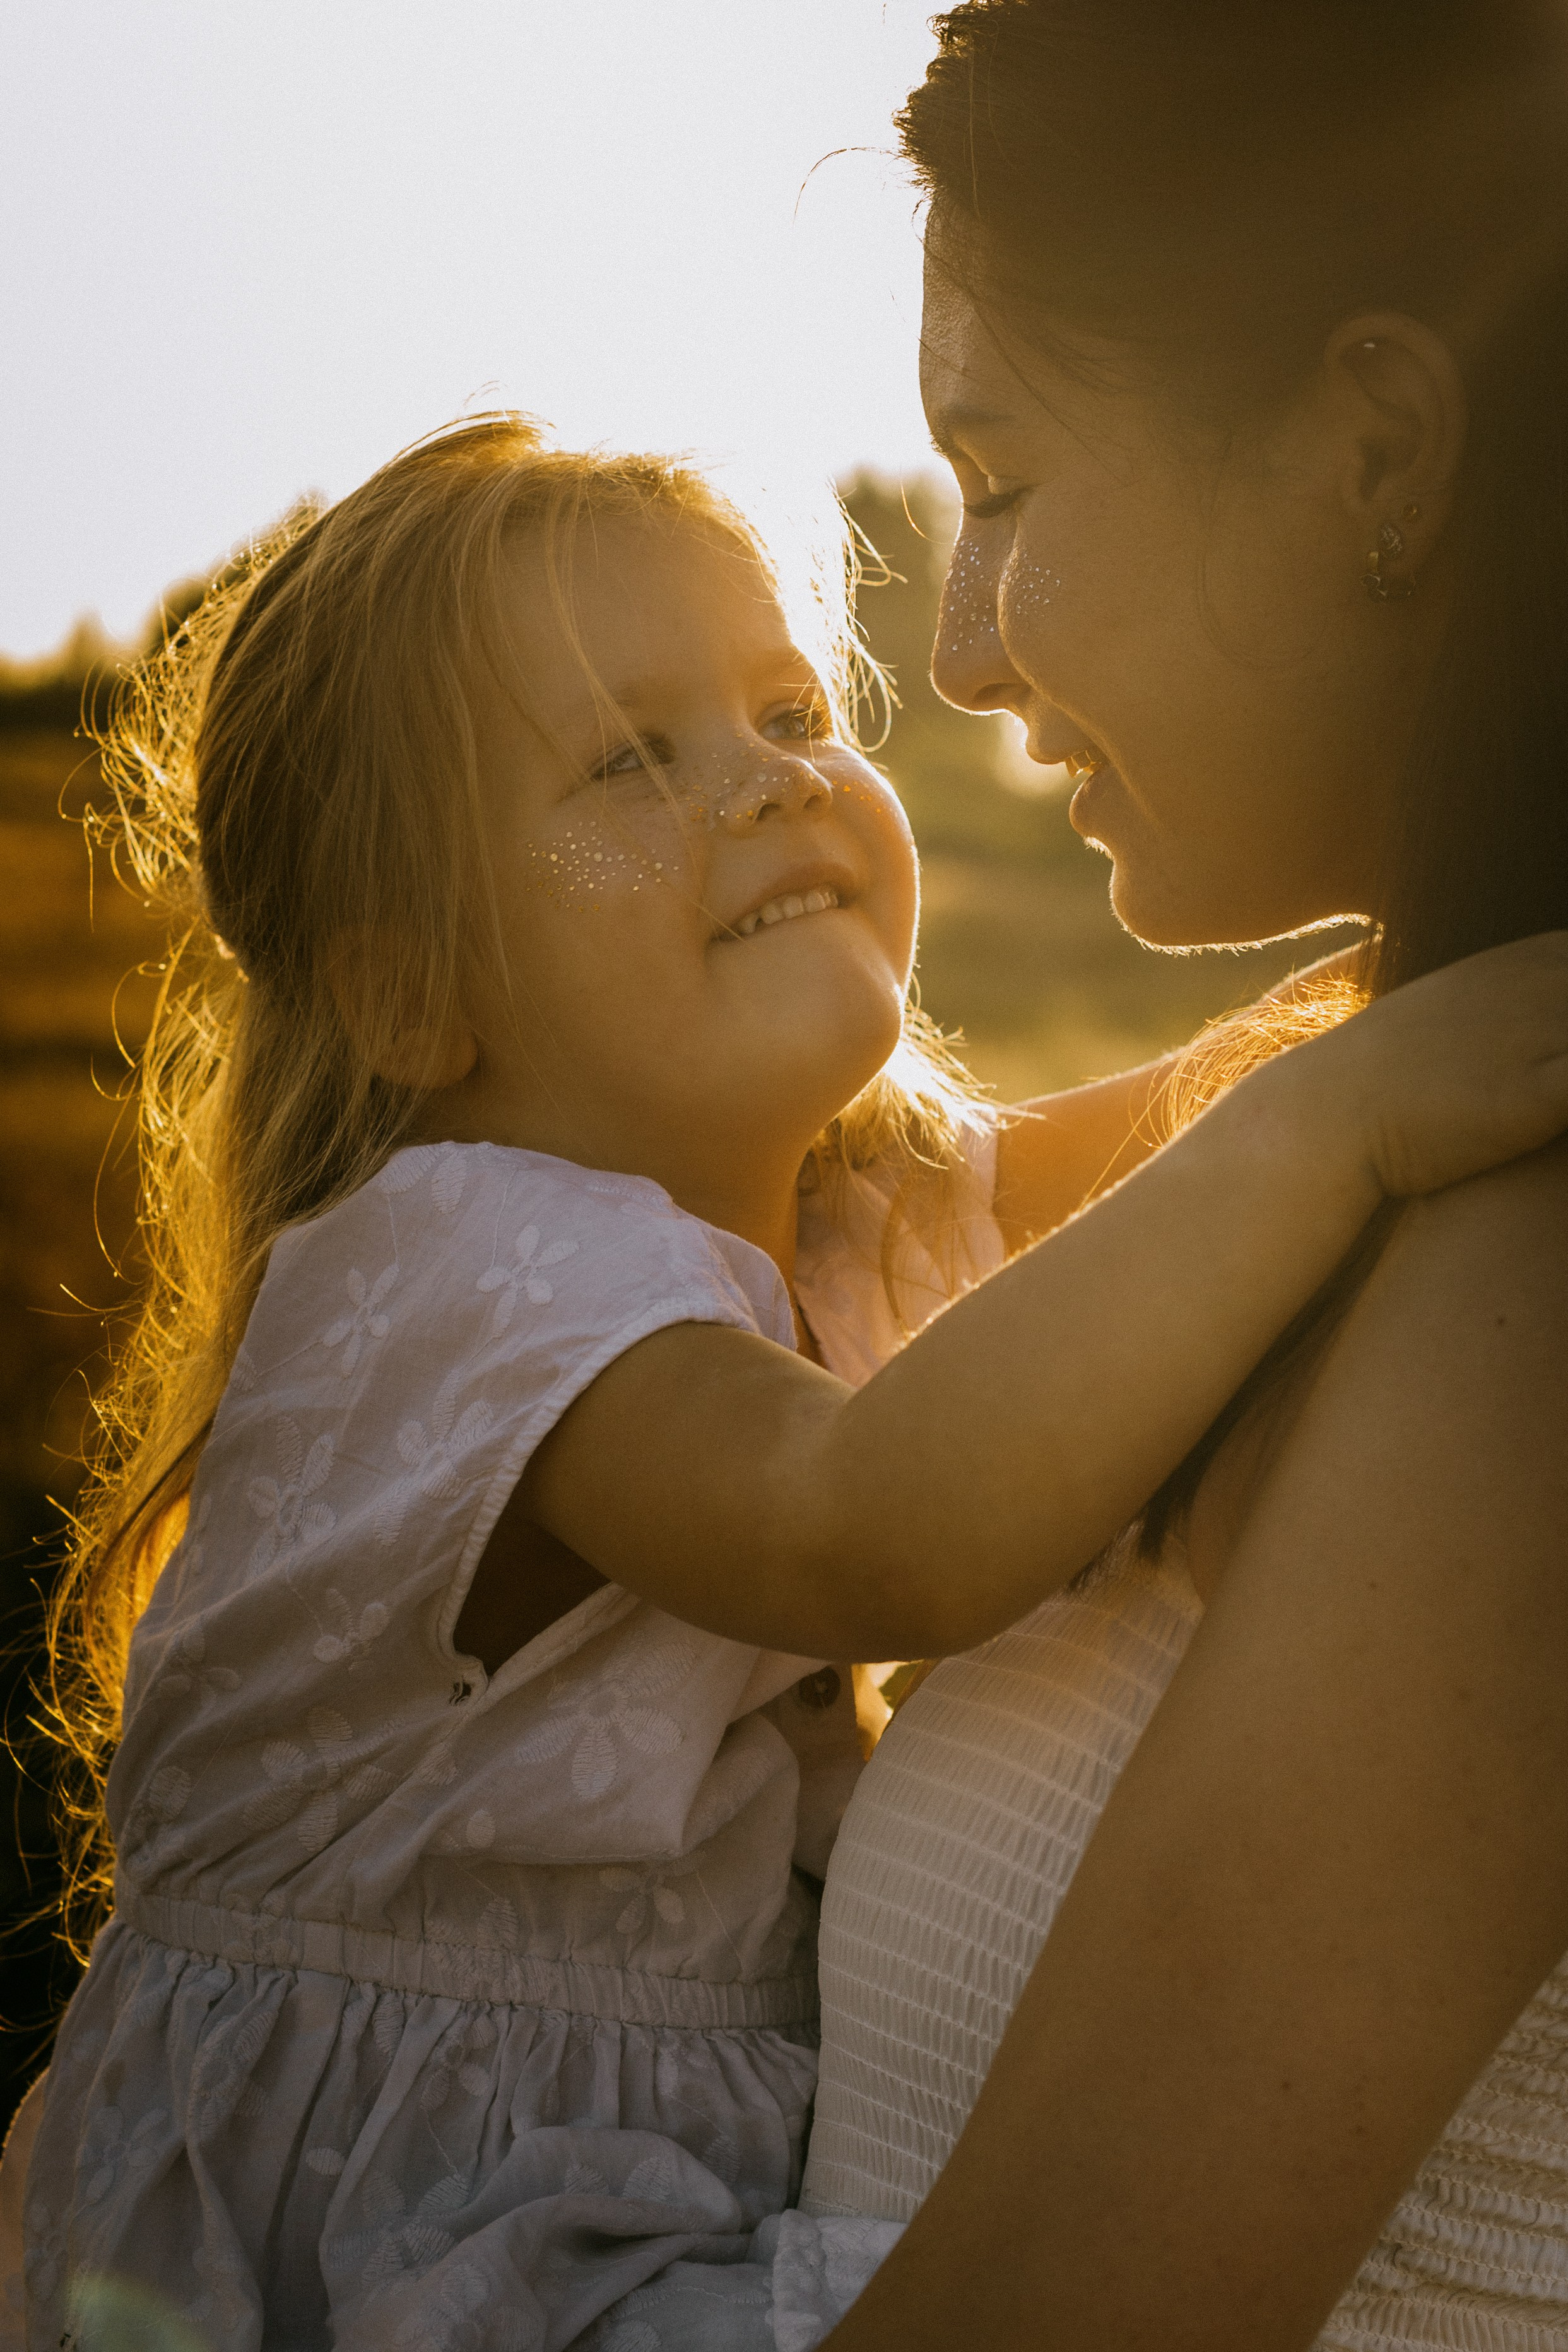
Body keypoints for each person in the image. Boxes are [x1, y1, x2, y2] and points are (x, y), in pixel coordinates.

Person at [6, 411, 1567, 2352]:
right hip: (385, 2218)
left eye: (790, 712)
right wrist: (1352, 1118)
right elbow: (868, 1530)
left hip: (606, 2181)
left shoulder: (839, 1200)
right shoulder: (449, 1260)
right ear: (415, 994)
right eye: (630, 759)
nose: (767, 788)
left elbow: (1197, 1123)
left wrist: (1447, 969)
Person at [736, 4, 1568, 2349]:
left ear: (1382, 447)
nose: (962, 644)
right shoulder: (1337, 1095)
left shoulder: (1529, 1259)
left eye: (997, 482)